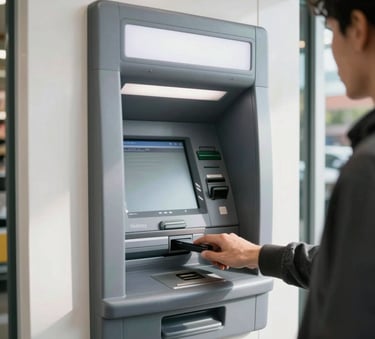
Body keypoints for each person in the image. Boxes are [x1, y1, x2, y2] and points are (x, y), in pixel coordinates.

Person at [195, 0, 375, 337]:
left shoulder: (368, 167)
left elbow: (347, 314)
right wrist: (254, 254)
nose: (332, 49)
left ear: (359, 28)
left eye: (332, 31)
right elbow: (345, 270)